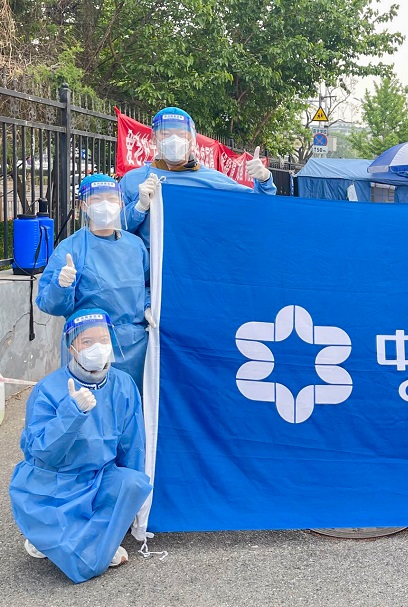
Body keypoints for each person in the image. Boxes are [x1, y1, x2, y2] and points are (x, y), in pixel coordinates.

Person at [8, 309, 152, 584]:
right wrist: (71, 413)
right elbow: (41, 452)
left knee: (133, 483)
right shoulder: (48, 389)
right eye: (87, 342)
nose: (97, 348)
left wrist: (131, 505)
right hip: (55, 485)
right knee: (85, 563)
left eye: (103, 340)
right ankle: (70, 541)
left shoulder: (122, 384)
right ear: (71, 347)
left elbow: (132, 444)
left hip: (97, 480)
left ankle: (87, 542)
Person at [36, 174, 151, 392]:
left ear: (121, 204)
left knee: (129, 402)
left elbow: (147, 285)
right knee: (84, 403)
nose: (105, 205)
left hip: (134, 345)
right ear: (83, 205)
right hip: (87, 343)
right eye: (97, 199)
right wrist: (61, 286)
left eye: (111, 199)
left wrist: (147, 306)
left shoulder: (135, 246)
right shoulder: (71, 248)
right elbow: (48, 304)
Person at [120, 106, 277, 250]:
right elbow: (114, 230)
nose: (174, 140)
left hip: (194, 265)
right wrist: (139, 208)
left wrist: (264, 180)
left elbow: (258, 208)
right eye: (166, 134)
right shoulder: (133, 180)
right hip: (151, 270)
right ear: (154, 139)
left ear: (192, 141)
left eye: (182, 134)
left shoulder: (214, 180)